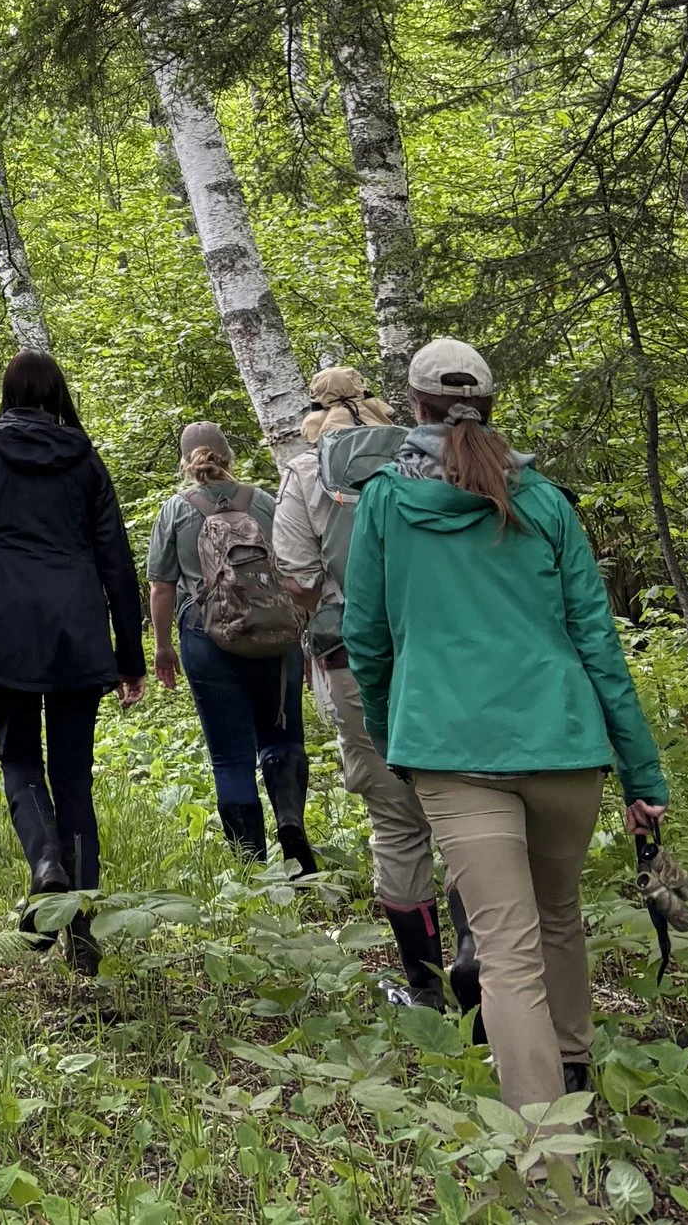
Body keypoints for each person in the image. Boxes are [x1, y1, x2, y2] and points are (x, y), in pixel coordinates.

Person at [344, 336, 670, 1112]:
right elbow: (598, 639)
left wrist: (397, 737)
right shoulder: (547, 501)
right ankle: (577, 1076)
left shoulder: (387, 500)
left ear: (413, 406)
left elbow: (365, 637)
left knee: (506, 950)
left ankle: (545, 1146)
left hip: (453, 754)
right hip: (564, 746)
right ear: (492, 406)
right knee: (558, 921)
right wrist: (642, 775)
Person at [0, 350, 146, 978]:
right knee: (75, 774)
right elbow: (115, 556)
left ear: (7, 392)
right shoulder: (83, 458)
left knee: (21, 754)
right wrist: (128, 654)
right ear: (57, 391)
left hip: (2, 624)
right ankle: (82, 927)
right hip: (78, 626)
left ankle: (45, 865)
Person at [272, 364, 471, 1006]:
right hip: (444, 650)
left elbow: (297, 575)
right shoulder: (429, 457)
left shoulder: (305, 470)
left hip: (350, 657)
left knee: (396, 819)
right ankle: (476, 964)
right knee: (466, 810)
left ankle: (426, 987)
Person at [146, 418, 316, 873]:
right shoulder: (264, 500)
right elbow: (296, 571)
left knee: (229, 756)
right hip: (277, 638)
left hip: (207, 639)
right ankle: (291, 825)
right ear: (229, 457)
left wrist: (162, 647)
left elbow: (162, 587)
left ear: (184, 462)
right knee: (283, 738)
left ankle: (253, 868)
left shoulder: (175, 510)